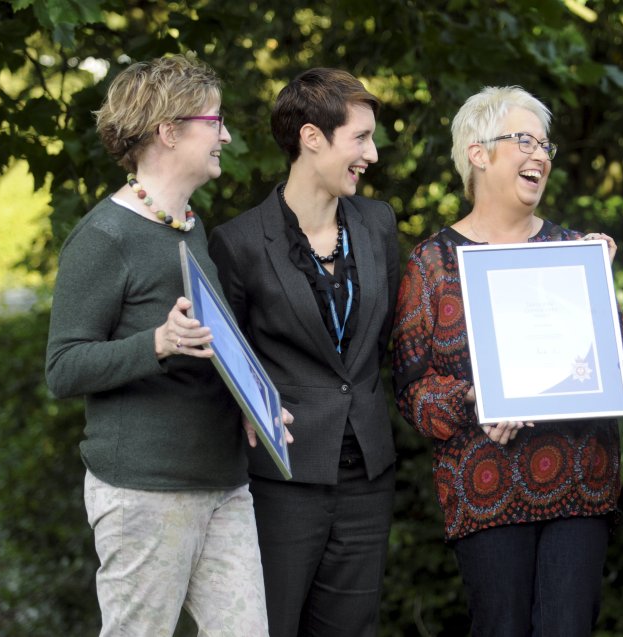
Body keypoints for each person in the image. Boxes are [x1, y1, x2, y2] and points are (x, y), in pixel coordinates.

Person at [45, 55, 286, 636]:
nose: (226, 134)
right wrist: (155, 342)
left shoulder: (189, 226)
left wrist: (254, 405)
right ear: (169, 130)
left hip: (225, 485)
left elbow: (210, 349)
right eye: (215, 120)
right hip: (144, 493)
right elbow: (63, 368)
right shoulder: (105, 236)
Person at [391, 86, 623, 637]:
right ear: (478, 153)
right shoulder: (431, 263)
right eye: (524, 140)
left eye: (545, 144)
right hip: (485, 488)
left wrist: (599, 289)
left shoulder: (576, 250)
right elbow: (411, 391)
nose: (541, 155)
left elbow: (620, 366)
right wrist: (476, 398)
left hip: (580, 481)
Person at [208, 68, 399, 637]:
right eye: (360, 138)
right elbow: (221, 366)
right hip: (281, 478)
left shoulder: (378, 224)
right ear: (312, 137)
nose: (371, 153)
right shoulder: (237, 243)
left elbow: (384, 342)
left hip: (368, 474)